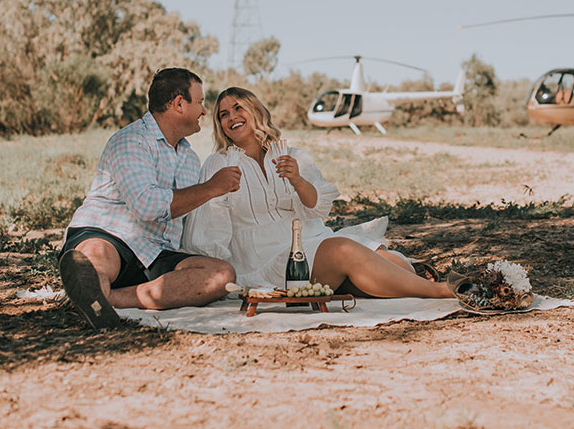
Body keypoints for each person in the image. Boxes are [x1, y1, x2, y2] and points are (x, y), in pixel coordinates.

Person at [182, 86, 452, 298]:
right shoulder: (220, 163)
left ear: (255, 111)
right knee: (343, 250)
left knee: (397, 265)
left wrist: (298, 180)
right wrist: (224, 276)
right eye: (223, 114)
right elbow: (207, 229)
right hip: (265, 258)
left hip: (309, 239)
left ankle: (352, 283)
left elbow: (317, 208)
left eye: (238, 107)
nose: (231, 117)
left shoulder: (291, 154)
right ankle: (442, 292)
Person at [58, 68, 242, 329]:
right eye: (200, 102)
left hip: (156, 252)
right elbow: (147, 206)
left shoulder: (190, 158)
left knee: (222, 275)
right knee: (98, 254)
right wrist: (212, 188)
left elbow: (186, 213)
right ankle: (93, 288)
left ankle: (105, 299)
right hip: (110, 234)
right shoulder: (131, 141)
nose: (204, 111)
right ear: (179, 104)